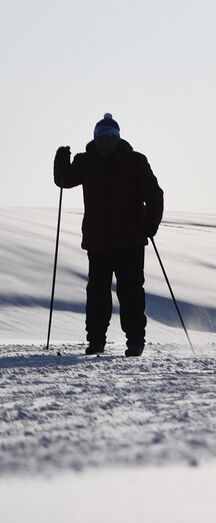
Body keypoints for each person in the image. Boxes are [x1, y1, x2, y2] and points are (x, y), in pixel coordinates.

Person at [53, 113, 164, 357]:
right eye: (101, 137)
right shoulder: (86, 162)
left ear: (117, 138)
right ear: (95, 138)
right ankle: (96, 341)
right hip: (98, 241)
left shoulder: (135, 161)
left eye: (109, 137)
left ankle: (135, 341)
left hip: (130, 240)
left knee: (131, 292)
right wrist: (61, 162)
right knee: (97, 293)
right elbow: (64, 180)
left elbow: (154, 195)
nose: (105, 142)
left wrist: (150, 225)